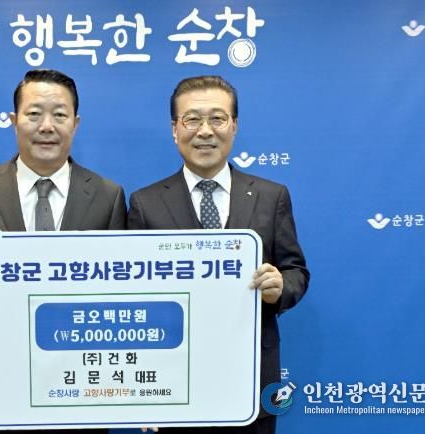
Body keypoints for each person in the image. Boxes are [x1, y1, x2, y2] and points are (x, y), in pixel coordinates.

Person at [0, 69, 125, 434]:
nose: (47, 126)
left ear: (76, 124)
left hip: (80, 387)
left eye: (60, 115)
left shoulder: (108, 195)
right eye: (34, 114)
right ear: (14, 120)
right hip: (0, 384)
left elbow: (121, 293)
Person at [128, 76, 309, 434]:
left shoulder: (271, 196)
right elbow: (133, 295)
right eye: (192, 119)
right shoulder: (145, 203)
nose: (205, 131)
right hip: (173, 379)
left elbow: (296, 270)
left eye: (217, 118)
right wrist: (142, 391)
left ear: (234, 126)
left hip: (251, 376)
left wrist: (279, 287)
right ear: (175, 129)